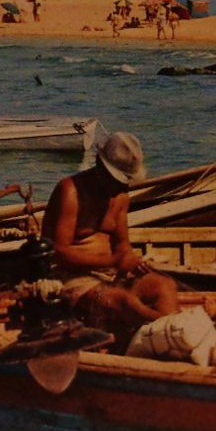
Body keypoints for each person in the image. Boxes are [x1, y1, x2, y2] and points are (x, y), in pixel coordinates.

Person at [42, 132, 179, 342]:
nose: (122, 187)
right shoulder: (70, 191)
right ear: (99, 165)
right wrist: (113, 261)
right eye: (117, 180)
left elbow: (123, 246)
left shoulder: (121, 197)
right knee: (125, 301)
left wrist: (132, 262)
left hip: (112, 276)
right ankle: (175, 329)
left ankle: (170, 338)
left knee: (165, 286)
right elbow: (58, 252)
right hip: (70, 279)